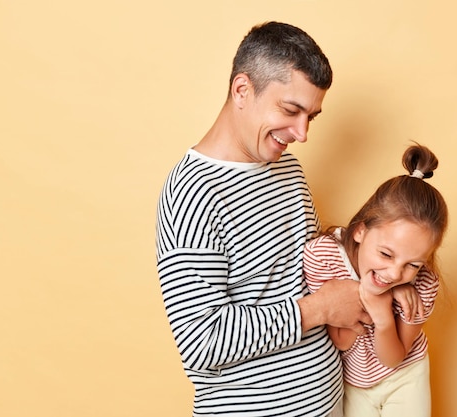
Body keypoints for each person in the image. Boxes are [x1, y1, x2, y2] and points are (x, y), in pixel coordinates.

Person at [155, 21, 373, 417]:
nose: (302, 133)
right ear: (242, 90)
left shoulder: (287, 168)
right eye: (291, 110)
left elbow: (311, 274)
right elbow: (202, 342)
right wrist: (319, 309)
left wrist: (389, 279)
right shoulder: (191, 193)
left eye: (312, 116)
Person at [303, 144, 449, 417]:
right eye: (386, 254)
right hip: (352, 382)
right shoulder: (325, 256)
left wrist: (382, 313)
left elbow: (395, 357)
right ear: (360, 231)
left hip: (405, 374)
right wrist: (367, 293)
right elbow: (340, 341)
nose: (394, 274)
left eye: (412, 264)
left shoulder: (424, 283)